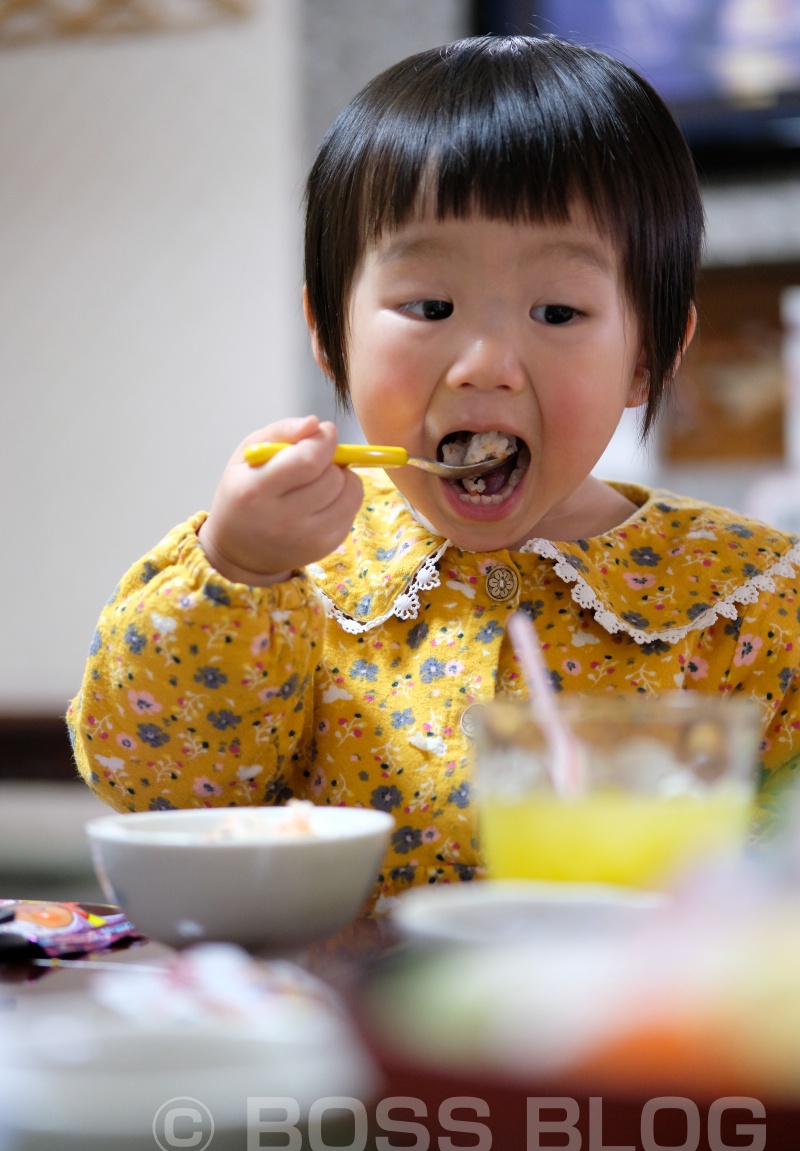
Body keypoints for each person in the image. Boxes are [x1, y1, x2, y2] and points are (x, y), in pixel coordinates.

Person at [67, 35, 800, 913]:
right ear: (329, 331)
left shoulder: (751, 601)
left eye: (558, 311)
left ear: (649, 359)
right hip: (345, 1036)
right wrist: (240, 572)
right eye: (429, 307)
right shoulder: (293, 575)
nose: (484, 364)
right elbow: (157, 790)